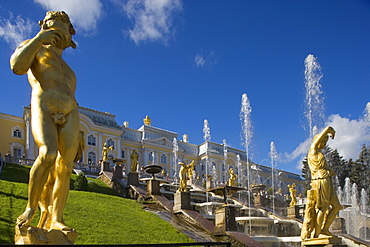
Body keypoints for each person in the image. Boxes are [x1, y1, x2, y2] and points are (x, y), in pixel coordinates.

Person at [10, 11, 80, 231]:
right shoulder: (35, 47)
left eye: (64, 29)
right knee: (48, 153)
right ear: (45, 27)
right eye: (53, 27)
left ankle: (56, 218)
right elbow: (17, 67)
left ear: (70, 38)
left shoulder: (69, 70)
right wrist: (39, 39)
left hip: (71, 111)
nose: (58, 33)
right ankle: (31, 208)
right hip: (44, 103)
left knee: (65, 167)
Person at [305, 126, 341, 238]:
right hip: (320, 181)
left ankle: (324, 229)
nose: (324, 143)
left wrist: (329, 171)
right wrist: (330, 130)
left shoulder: (320, 154)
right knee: (322, 208)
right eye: (323, 140)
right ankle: (317, 233)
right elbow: (315, 143)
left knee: (336, 206)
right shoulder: (313, 150)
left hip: (327, 179)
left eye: (326, 141)